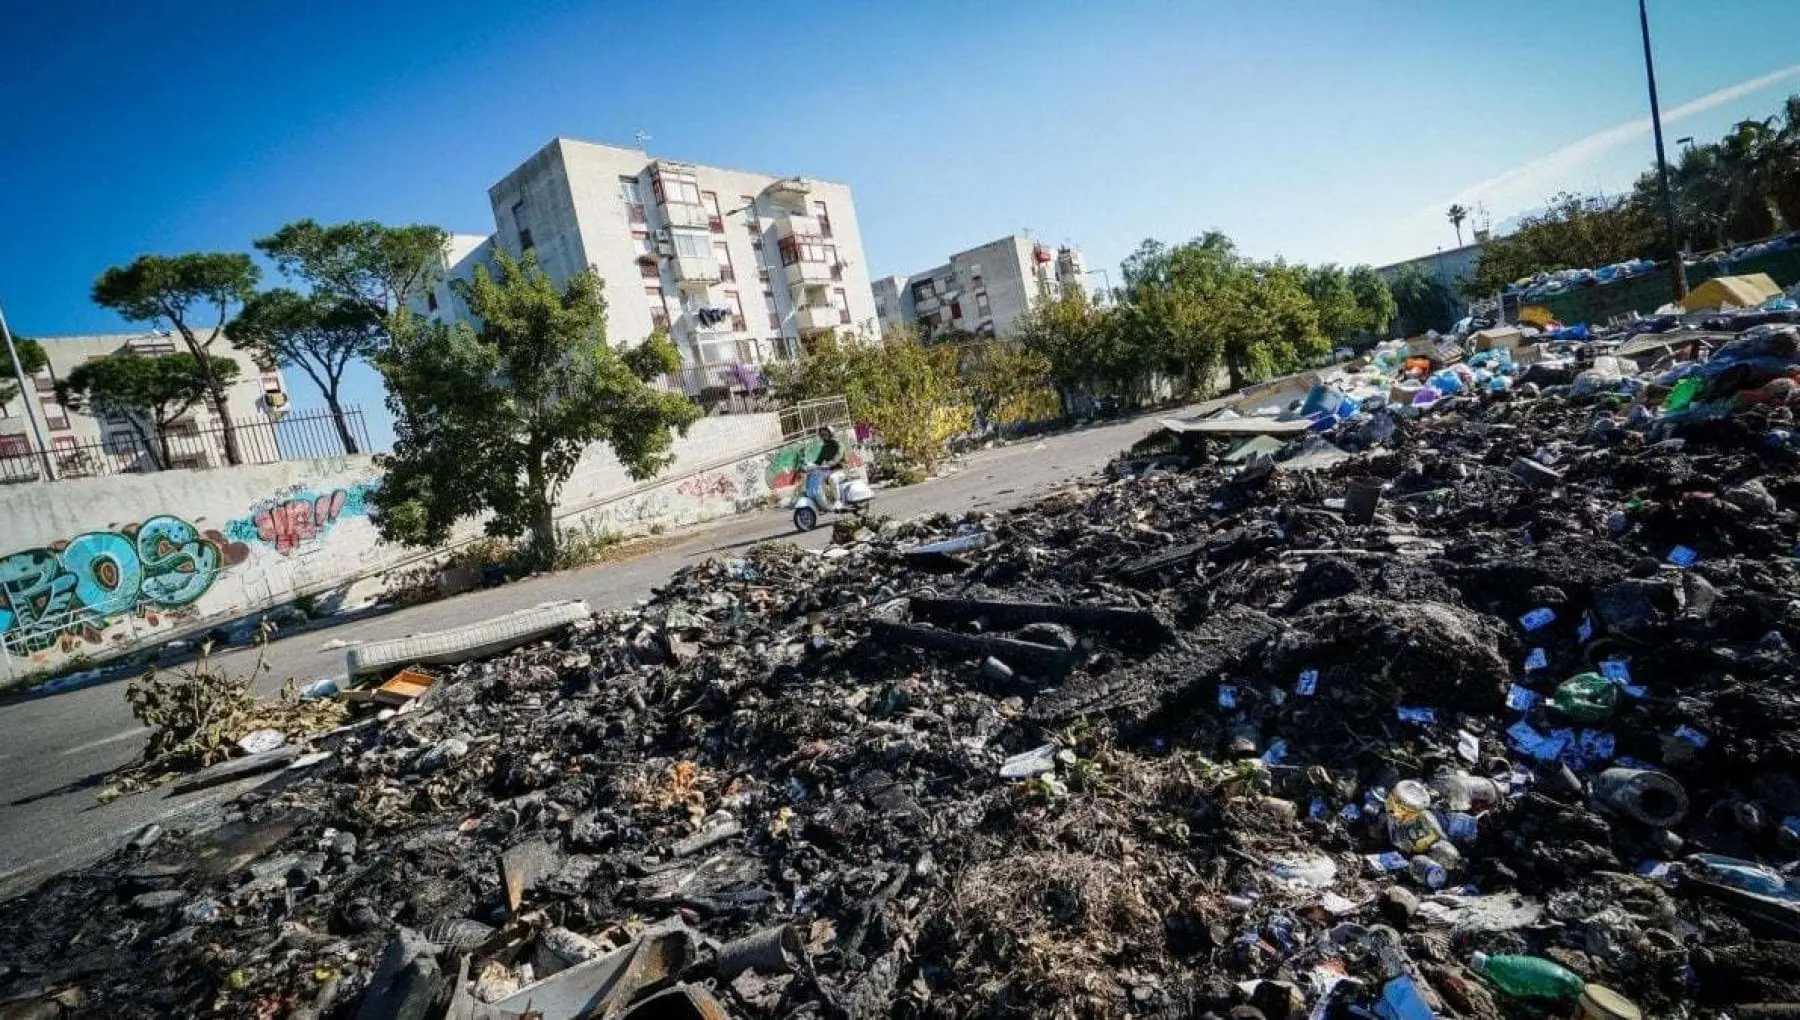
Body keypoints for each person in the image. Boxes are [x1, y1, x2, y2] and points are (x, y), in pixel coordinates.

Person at [808, 426, 843, 508]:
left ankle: (838, 501)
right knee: (818, 479)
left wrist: (831, 463)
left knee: (832, 478)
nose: (823, 437)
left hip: (841, 469)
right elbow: (818, 461)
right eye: (822, 435)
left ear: (831, 434)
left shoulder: (838, 444)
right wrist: (809, 465)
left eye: (825, 434)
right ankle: (827, 500)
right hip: (829, 470)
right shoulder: (824, 447)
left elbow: (839, 455)